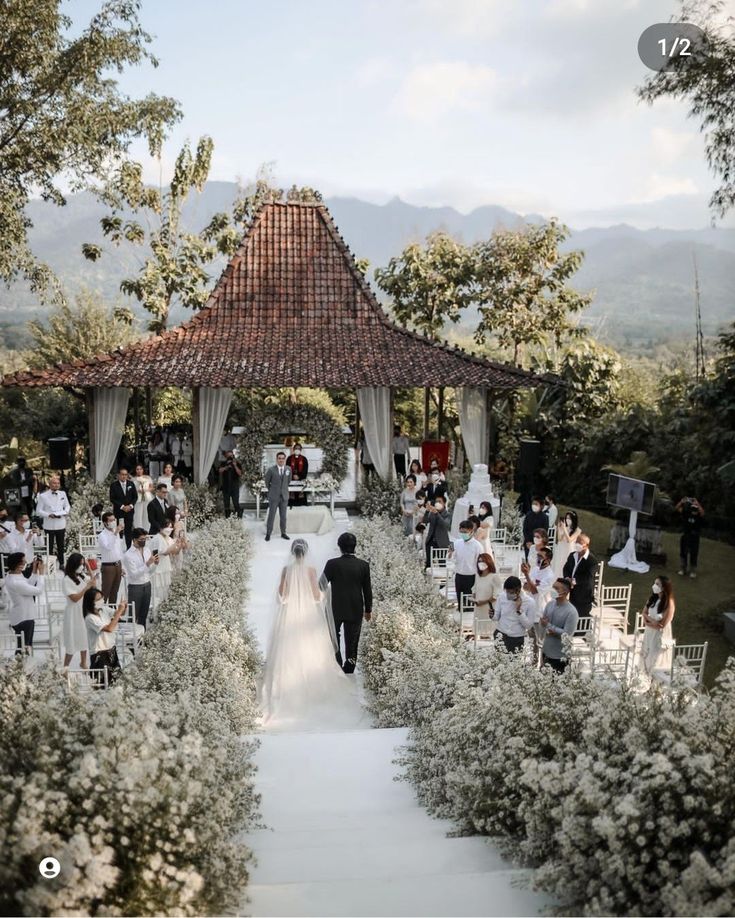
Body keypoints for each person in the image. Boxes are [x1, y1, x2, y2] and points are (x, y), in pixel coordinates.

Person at [260, 539, 358, 726]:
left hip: (289, 613)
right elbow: (315, 596)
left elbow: (282, 595)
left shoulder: (286, 571)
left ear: (292, 552)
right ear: (305, 554)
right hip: (307, 614)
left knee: (287, 647)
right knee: (312, 645)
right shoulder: (311, 571)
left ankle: (284, 687)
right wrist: (324, 594)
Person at [321, 531, 372, 674]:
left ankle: (337, 663)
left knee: (333, 635)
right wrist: (368, 610)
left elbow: (321, 585)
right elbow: (367, 590)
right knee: (353, 638)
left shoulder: (332, 564)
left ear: (340, 546)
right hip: (356, 607)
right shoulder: (363, 565)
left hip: (335, 606)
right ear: (355, 546)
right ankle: (349, 667)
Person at [83, 589, 126, 686]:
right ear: (91, 602)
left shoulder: (104, 610)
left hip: (111, 651)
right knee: (103, 685)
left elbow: (119, 614)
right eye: (98, 599)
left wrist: (123, 607)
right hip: (100, 655)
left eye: (101, 598)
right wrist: (119, 611)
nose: (101, 601)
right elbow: (109, 628)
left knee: (117, 683)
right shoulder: (90, 618)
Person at [4, 552, 44, 655]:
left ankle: (20, 667)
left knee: (24, 647)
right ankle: (20, 668)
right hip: (24, 618)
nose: (26, 562)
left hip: (23, 615)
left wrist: (35, 571)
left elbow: (28, 584)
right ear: (17, 564)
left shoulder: (13, 574)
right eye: (23, 560)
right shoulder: (16, 582)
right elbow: (38, 590)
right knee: (24, 648)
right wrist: (42, 574)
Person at [62, 553, 96, 670]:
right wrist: (85, 588)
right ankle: (65, 667)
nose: (82, 567)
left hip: (83, 611)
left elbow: (93, 584)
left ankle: (83, 662)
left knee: (84, 637)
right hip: (73, 613)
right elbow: (74, 598)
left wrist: (89, 567)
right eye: (80, 564)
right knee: (72, 640)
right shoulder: (67, 580)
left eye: (83, 564)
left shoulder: (81, 576)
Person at [540, 577, 579, 673]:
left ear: (565, 592)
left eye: (557, 588)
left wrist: (549, 626)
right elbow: (544, 624)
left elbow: (567, 635)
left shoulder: (571, 612)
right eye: (553, 587)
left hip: (560, 656)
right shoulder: (550, 604)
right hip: (546, 651)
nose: (553, 590)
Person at [639, 575, 676, 678]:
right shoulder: (653, 599)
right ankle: (646, 676)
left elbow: (662, 625)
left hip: (660, 634)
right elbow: (644, 613)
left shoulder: (669, 603)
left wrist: (650, 622)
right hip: (649, 631)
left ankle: (653, 679)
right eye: (654, 583)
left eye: (657, 584)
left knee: (655, 657)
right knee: (646, 654)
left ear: (664, 587)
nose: (654, 586)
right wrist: (651, 622)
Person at [124, 528, 159, 629]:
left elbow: (149, 571)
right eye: (141, 539)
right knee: (133, 616)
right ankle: (132, 640)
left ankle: (142, 637)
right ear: (134, 540)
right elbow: (134, 574)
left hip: (147, 584)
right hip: (135, 587)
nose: (144, 541)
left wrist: (155, 564)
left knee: (144, 615)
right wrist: (147, 563)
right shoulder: (128, 555)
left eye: (145, 539)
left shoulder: (147, 550)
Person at [493, 576, 534, 654]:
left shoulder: (529, 602)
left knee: (514, 663)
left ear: (518, 590)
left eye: (511, 592)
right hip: (501, 633)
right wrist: (492, 615)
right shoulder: (502, 596)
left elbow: (528, 626)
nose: (508, 594)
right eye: (507, 591)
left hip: (516, 637)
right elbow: (496, 617)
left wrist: (519, 610)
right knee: (499, 661)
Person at [36, 474, 70, 567]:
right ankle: (49, 565)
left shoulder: (63, 494)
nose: (56, 485)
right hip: (49, 524)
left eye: (58, 483)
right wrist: (48, 515)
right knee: (49, 546)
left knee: (61, 546)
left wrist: (64, 512)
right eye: (54, 483)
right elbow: (38, 511)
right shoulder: (43, 496)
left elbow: (67, 506)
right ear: (50, 484)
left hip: (60, 523)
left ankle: (62, 564)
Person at [562, 533, 599, 618]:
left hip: (584, 594)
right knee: (572, 615)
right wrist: (567, 578)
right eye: (576, 542)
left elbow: (588, 577)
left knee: (582, 617)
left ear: (586, 545)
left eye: (579, 542)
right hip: (572, 592)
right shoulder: (572, 555)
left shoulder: (592, 561)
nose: (577, 544)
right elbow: (566, 568)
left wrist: (574, 581)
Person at [451, 520, 482, 614]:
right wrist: (450, 555)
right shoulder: (456, 543)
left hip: (470, 576)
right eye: (461, 532)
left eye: (465, 532)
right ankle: (461, 619)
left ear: (471, 531)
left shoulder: (477, 546)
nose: (463, 534)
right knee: (460, 600)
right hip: (459, 575)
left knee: (468, 602)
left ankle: (468, 623)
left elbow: (480, 563)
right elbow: (452, 557)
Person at [150, 521, 180, 609]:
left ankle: (164, 606)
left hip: (166, 566)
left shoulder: (168, 538)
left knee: (165, 587)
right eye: (168, 527)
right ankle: (155, 609)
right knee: (158, 589)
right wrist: (174, 545)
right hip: (158, 567)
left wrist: (178, 545)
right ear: (161, 528)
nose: (169, 529)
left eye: (171, 527)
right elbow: (164, 552)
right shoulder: (157, 538)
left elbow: (175, 552)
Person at [472, 553, 503, 637]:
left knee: (489, 632)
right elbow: (474, 589)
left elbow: (496, 595)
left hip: (488, 608)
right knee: (478, 631)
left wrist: (483, 602)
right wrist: (473, 598)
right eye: (479, 561)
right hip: (478, 608)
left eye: (483, 561)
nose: (480, 563)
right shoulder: (478, 576)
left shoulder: (494, 577)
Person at [97, 511, 125, 604]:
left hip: (118, 564)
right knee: (106, 591)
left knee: (115, 591)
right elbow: (108, 547)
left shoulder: (115, 533)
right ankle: (101, 612)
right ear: (105, 523)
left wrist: (122, 566)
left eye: (114, 520)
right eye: (111, 520)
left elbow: (119, 550)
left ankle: (113, 614)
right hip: (108, 566)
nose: (113, 522)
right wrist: (116, 532)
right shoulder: (102, 535)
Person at [264, 451, 291, 541]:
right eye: (279, 458)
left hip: (284, 497)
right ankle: (268, 533)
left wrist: (283, 490)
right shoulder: (271, 470)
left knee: (283, 516)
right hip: (274, 496)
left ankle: (283, 533)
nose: (281, 460)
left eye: (283, 458)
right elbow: (267, 482)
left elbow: (288, 481)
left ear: (285, 459)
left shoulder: (288, 469)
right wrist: (273, 490)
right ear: (276, 459)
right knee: (271, 515)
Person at [676, 496, 704, 579]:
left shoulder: (699, 516)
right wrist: (682, 502)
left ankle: (692, 571)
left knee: (693, 554)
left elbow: (702, 513)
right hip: (686, 536)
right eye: (693, 509)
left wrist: (697, 504)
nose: (694, 511)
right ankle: (682, 569)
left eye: (696, 509)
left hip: (695, 537)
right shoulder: (686, 513)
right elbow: (677, 508)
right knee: (683, 553)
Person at [110, 467, 138, 549]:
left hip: (129, 511)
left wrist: (130, 506)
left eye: (125, 475)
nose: (124, 476)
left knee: (129, 529)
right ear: (118, 475)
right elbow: (112, 498)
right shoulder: (114, 485)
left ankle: (129, 547)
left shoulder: (131, 484)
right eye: (122, 474)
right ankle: (119, 547)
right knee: (120, 530)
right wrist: (122, 507)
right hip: (119, 511)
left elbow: (135, 497)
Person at [423, 495, 451, 570]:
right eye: (436, 501)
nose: (437, 503)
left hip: (441, 543)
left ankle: (442, 579)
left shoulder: (447, 514)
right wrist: (427, 511)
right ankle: (426, 578)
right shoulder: (432, 512)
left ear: (444, 503)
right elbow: (425, 521)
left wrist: (437, 514)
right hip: (430, 541)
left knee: (441, 563)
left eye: (439, 501)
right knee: (428, 563)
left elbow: (445, 525)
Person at [552, 509, 581, 578]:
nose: (567, 520)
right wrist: (559, 529)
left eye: (569, 518)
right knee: (559, 564)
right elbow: (559, 539)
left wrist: (565, 529)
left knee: (566, 564)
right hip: (561, 548)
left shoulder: (577, 530)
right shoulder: (564, 527)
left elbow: (569, 540)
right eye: (566, 518)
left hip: (569, 549)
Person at [218, 450, 243, 519]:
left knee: (236, 503)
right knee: (226, 504)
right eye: (228, 456)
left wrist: (235, 466)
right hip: (226, 487)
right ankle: (227, 518)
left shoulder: (237, 463)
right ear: (226, 456)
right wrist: (226, 467)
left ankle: (238, 518)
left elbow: (240, 473)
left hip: (234, 487)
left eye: (231, 456)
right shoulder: (223, 463)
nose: (230, 458)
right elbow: (220, 470)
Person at [132, 463, 154, 532]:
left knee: (147, 514)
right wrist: (137, 490)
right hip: (138, 497)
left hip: (147, 497)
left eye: (140, 469)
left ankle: (146, 530)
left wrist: (145, 490)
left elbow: (151, 487)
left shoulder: (148, 478)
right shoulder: (133, 479)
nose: (139, 471)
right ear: (135, 470)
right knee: (138, 514)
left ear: (143, 470)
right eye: (137, 469)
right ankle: (138, 530)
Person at [286, 442, 309, 507]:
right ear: (293, 449)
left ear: (301, 450)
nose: (297, 450)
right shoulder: (289, 458)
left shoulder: (304, 459)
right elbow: (287, 469)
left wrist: (299, 477)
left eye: (299, 448)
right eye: (296, 448)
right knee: (291, 497)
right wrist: (292, 475)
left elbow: (305, 470)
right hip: (291, 480)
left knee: (301, 498)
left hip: (301, 480)